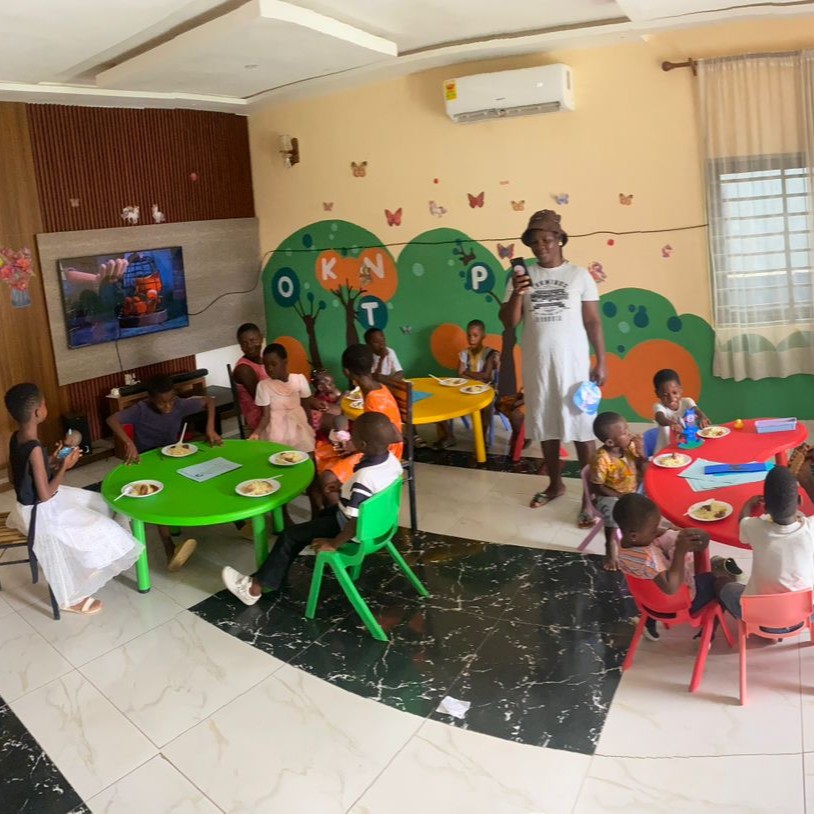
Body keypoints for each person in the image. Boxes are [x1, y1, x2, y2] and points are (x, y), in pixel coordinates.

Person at [221, 412, 403, 605]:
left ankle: (253, 588)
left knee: (289, 537)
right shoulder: (391, 461)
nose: (350, 436)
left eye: (353, 435)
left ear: (362, 445)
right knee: (318, 520)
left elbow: (354, 521)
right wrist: (343, 488)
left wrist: (333, 544)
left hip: (355, 531)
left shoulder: (364, 478)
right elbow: (370, 494)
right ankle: (292, 557)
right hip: (381, 525)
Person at [499, 209, 607, 523]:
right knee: (545, 425)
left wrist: (602, 359)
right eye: (534, 241)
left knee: (582, 430)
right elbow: (509, 322)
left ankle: (590, 497)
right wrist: (518, 293)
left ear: (559, 238)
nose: (541, 246)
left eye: (546, 239)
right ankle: (555, 485)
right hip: (538, 366)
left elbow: (593, 321)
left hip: (574, 369)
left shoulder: (579, 276)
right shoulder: (521, 276)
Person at [4, 383, 142, 615]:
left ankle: (88, 559)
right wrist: (64, 467)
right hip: (42, 512)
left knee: (100, 504)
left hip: (29, 505)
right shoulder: (34, 447)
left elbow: (15, 474)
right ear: (38, 412)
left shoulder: (16, 437)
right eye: (45, 404)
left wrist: (54, 459)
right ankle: (72, 595)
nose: (46, 407)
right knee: (105, 527)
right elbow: (46, 494)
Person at [107, 374, 222, 570]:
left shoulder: (179, 404)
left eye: (170, 401)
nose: (168, 407)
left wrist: (210, 428)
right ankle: (170, 548)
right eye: (162, 403)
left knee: (205, 473)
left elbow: (210, 401)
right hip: (148, 461)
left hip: (173, 456)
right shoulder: (140, 410)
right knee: (158, 497)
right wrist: (128, 443)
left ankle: (239, 524)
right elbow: (112, 419)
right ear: (151, 399)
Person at [614, 493, 729, 640]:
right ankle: (709, 631)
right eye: (653, 530)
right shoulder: (649, 559)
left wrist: (673, 531)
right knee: (720, 581)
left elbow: (657, 535)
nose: (657, 531)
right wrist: (680, 552)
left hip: (647, 601)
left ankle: (649, 621)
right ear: (634, 535)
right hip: (681, 604)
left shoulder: (625, 544)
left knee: (652, 577)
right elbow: (671, 588)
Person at [718, 466, 814, 622]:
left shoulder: (755, 528)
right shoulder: (811, 528)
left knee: (724, 585)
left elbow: (742, 522)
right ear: (800, 501)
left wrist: (748, 505)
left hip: (759, 615)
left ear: (766, 508)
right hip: (804, 613)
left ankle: (768, 628)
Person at [316, 344, 403, 501]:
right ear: (373, 365)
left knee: (328, 479)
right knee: (320, 453)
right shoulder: (377, 389)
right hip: (376, 444)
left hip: (384, 453)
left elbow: (384, 439)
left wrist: (355, 446)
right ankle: (334, 506)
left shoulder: (374, 401)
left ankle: (348, 517)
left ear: (346, 372)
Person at [590, 412, 646, 571]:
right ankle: (610, 544)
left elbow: (643, 466)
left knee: (653, 499)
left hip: (632, 490)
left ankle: (644, 536)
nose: (629, 435)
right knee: (613, 512)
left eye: (627, 430)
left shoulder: (629, 448)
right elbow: (597, 487)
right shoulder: (601, 459)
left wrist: (641, 452)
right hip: (608, 495)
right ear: (610, 441)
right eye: (624, 433)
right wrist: (621, 497)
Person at [435, 319, 498, 450]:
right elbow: (460, 374)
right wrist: (471, 374)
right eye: (469, 335)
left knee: (485, 407)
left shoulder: (490, 353)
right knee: (439, 402)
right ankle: (447, 436)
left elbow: (486, 375)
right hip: (465, 389)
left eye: (475, 335)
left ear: (483, 336)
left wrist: (467, 372)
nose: (471, 339)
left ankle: (482, 437)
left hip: (486, 389)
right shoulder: (464, 353)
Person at [249, 343, 318, 452]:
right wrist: (257, 432)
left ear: (285, 362)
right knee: (279, 457)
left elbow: (306, 408)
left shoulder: (299, 380)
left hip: (298, 427)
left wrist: (309, 428)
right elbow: (265, 416)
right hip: (276, 431)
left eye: (273, 364)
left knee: (306, 454)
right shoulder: (263, 386)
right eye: (266, 365)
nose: (270, 369)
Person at [652, 368, 710, 453]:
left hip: (685, 448)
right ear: (657, 394)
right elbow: (660, 418)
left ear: (680, 389)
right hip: (665, 451)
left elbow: (696, 410)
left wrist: (702, 417)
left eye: (674, 393)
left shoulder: (687, 402)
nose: (671, 398)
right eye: (665, 395)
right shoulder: (659, 406)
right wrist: (672, 424)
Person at [232, 322, 268, 433]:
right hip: (262, 417)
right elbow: (261, 399)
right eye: (244, 343)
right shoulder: (244, 369)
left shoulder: (265, 360)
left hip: (274, 407)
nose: (249, 346)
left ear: (261, 339)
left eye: (253, 340)